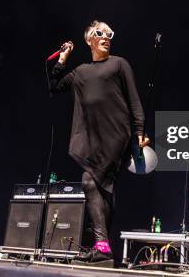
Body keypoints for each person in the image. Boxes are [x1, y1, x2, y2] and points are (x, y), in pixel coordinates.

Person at [50, 20, 148, 266]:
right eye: (99, 33)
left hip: (117, 134)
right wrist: (62, 58)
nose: (106, 36)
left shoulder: (119, 64)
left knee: (89, 181)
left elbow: (134, 101)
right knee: (103, 188)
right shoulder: (81, 71)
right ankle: (102, 247)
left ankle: (102, 245)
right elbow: (55, 85)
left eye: (109, 33)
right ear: (89, 40)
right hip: (92, 138)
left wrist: (138, 131)